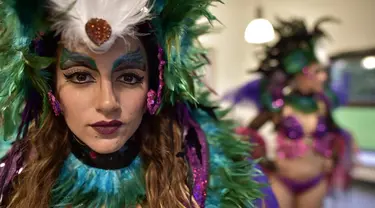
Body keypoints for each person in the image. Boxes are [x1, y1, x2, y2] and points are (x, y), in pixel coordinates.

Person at [0, 0, 279, 207]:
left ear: (154, 87)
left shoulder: (222, 175)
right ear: (50, 87)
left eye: (130, 77)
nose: (108, 103)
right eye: (81, 76)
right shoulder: (10, 180)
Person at [224, 17, 356, 208]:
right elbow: (249, 132)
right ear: (301, 73)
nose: (324, 76)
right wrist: (263, 161)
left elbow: (335, 133)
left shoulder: (322, 104)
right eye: (317, 71)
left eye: (323, 70)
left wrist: (332, 157)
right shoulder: (279, 104)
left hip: (315, 182)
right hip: (282, 181)